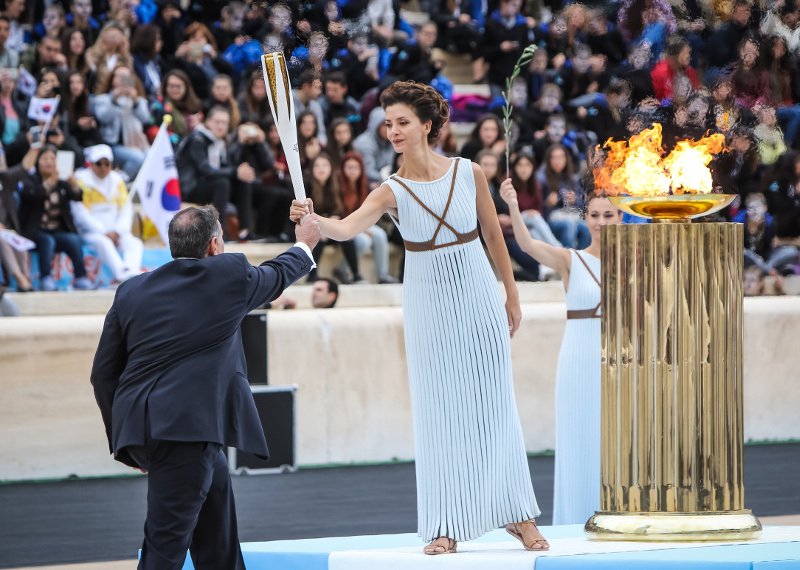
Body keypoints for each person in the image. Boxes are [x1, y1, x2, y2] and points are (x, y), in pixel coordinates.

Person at [290, 81, 548, 554]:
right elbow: (346, 228)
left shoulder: (469, 172)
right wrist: (314, 220)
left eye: (403, 122)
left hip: (476, 291)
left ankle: (519, 515)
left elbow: (494, 236)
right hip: (428, 300)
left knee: (495, 405)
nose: (393, 131)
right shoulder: (391, 189)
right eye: (388, 124)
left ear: (427, 125)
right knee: (439, 413)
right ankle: (444, 524)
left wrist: (511, 295)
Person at [90, 205, 321, 570]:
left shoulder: (132, 290)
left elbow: (102, 374)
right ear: (214, 245)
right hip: (185, 432)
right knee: (164, 549)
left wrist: (127, 439)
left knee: (219, 545)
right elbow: (276, 276)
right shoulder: (226, 276)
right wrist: (305, 243)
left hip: (178, 434)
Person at [499, 176, 622, 525]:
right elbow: (526, 244)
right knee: (578, 437)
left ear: (620, 219)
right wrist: (512, 205)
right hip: (578, 359)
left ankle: (615, 514)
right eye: (595, 215)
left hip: (617, 359)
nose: (601, 222)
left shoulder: (634, 263)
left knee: (613, 438)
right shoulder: (572, 261)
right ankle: (576, 519)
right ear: (587, 220)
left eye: (608, 216)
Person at [17, 145, 92, 292]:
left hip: (56, 230)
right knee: (47, 240)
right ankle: (46, 278)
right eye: (45, 159)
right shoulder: (29, 181)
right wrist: (48, 184)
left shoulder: (61, 183)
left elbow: (78, 196)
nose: (49, 162)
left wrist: (74, 183)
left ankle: (81, 277)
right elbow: (31, 196)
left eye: (52, 159)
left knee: (73, 240)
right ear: (38, 162)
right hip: (34, 232)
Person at [72, 144, 143, 283]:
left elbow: (125, 209)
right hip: (92, 232)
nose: (103, 167)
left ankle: (131, 272)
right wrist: (104, 231)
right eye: (99, 163)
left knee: (135, 243)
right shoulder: (80, 181)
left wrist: (117, 231)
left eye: (107, 163)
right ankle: (121, 275)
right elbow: (80, 214)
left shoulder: (117, 181)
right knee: (104, 243)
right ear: (91, 164)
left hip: (116, 231)